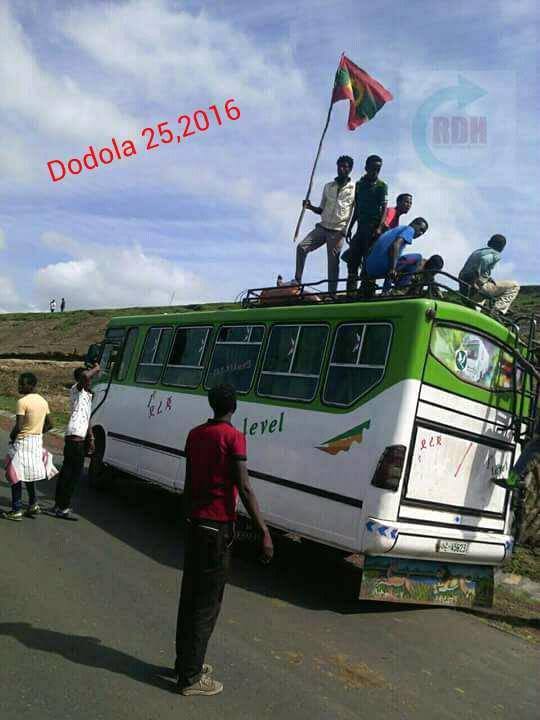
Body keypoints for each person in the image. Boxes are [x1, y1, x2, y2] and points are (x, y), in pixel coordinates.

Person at [175, 384, 273, 697]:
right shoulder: (233, 437)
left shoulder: (195, 434)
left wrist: (187, 516)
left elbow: (189, 481)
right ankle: (190, 678)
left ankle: (185, 663)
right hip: (217, 528)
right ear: (234, 407)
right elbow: (244, 487)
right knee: (207, 604)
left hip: (195, 523)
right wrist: (264, 531)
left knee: (190, 598)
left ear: (211, 404)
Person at [295, 155, 355, 294]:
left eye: (345, 167)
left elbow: (355, 211)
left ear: (350, 169)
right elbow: (321, 209)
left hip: (338, 230)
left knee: (333, 264)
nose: (342, 169)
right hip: (323, 227)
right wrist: (309, 206)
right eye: (340, 166)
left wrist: (347, 229)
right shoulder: (328, 186)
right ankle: (297, 281)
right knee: (301, 248)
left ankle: (331, 294)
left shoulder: (354, 188)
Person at [2, 373, 55, 521]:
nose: (19, 386)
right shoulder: (43, 401)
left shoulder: (22, 402)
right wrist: (37, 432)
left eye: (22, 384)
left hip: (23, 442)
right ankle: (33, 504)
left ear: (31, 386)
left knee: (15, 475)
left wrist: (12, 437)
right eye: (19, 383)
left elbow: (19, 426)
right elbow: (50, 424)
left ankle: (16, 510)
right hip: (36, 442)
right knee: (29, 475)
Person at [53, 362, 101, 518]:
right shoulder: (76, 389)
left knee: (69, 472)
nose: (90, 380)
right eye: (87, 379)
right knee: (71, 474)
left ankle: (59, 505)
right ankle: (63, 507)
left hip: (81, 437)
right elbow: (86, 375)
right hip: (74, 438)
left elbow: (87, 418)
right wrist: (96, 369)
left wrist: (91, 437)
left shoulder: (87, 395)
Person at [345, 155, 388, 292]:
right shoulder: (359, 185)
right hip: (360, 228)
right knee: (352, 258)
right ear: (366, 168)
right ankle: (351, 293)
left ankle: (365, 292)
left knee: (368, 261)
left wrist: (379, 228)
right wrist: (350, 227)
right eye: (373, 168)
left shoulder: (382, 186)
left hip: (373, 229)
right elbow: (357, 208)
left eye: (378, 169)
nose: (375, 171)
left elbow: (384, 209)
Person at [364, 218, 429, 295]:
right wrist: (393, 268)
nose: (421, 233)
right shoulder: (410, 229)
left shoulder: (395, 230)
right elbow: (395, 244)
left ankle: (386, 291)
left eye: (423, 232)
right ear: (413, 224)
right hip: (382, 267)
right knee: (418, 258)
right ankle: (399, 289)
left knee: (397, 262)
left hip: (370, 269)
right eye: (421, 229)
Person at [458, 234, 520, 315]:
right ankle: (497, 311)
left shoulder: (477, 252)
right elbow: (483, 261)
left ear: (489, 242)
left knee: (478, 309)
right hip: (476, 289)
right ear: (502, 247)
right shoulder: (495, 254)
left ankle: (475, 314)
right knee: (514, 286)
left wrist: (486, 278)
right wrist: (477, 281)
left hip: (464, 291)